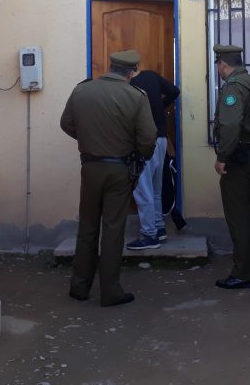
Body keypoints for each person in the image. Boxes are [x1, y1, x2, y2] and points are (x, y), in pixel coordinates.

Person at [60, 49, 157, 306]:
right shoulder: (136, 96)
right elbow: (148, 137)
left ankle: (79, 287)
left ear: (111, 66)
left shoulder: (82, 90)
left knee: (87, 227)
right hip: (120, 169)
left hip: (90, 166)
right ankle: (110, 291)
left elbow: (66, 123)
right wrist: (140, 155)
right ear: (132, 71)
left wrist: (88, 139)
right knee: (113, 229)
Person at [211, 43, 250, 290]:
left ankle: (243, 274)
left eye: (218, 65)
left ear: (223, 64)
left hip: (240, 159)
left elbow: (230, 125)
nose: (218, 69)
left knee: (239, 215)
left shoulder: (234, 87)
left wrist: (222, 157)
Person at [125, 67, 180, 250]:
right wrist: (160, 106)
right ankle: (159, 227)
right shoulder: (151, 76)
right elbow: (174, 91)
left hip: (144, 142)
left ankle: (149, 235)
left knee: (143, 189)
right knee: (156, 188)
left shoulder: (131, 87)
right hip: (162, 139)